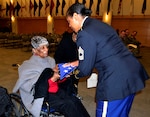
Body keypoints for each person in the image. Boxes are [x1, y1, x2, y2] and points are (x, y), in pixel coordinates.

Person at [66, 3, 149, 117]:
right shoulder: (100, 25)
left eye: (69, 21)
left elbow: (85, 69)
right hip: (131, 73)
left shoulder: (84, 33)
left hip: (115, 82)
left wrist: (72, 75)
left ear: (75, 16)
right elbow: (104, 52)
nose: (69, 25)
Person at [13, 36, 90, 117]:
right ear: (34, 50)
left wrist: (63, 76)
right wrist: (53, 78)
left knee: (74, 100)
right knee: (68, 104)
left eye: (47, 46)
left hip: (54, 90)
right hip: (41, 95)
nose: (46, 49)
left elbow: (57, 80)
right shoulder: (28, 65)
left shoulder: (50, 60)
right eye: (42, 47)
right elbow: (35, 87)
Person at [54, 31, 79, 96]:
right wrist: (62, 67)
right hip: (64, 64)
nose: (77, 40)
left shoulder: (81, 42)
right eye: (76, 37)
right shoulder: (65, 41)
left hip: (75, 65)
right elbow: (57, 55)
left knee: (75, 80)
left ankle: (74, 94)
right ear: (73, 35)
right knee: (65, 82)